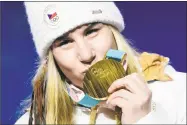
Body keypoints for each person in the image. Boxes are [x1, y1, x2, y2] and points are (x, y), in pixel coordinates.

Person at [15, 2, 186, 124]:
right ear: (50, 60)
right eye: (65, 43)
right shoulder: (32, 122)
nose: (86, 54)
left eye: (92, 31)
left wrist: (146, 120)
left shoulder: (179, 92)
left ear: (113, 33)